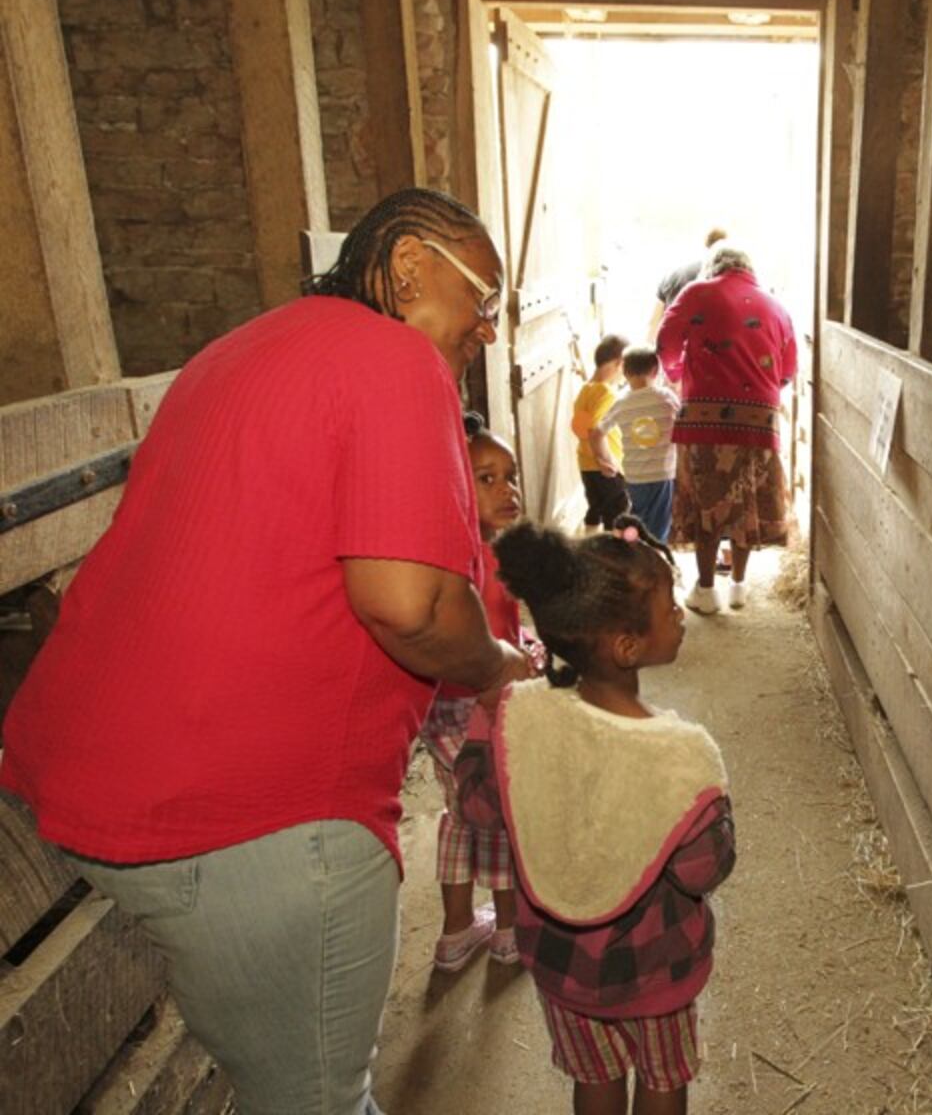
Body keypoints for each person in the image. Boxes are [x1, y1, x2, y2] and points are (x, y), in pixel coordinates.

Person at [0, 187, 538, 1115]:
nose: (487, 331)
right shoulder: (393, 359)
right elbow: (409, 606)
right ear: (409, 268)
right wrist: (497, 665)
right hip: (250, 819)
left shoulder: (241, 348)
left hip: (84, 768)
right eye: (482, 301)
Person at [456, 516, 735, 1115]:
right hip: (655, 971)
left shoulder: (519, 718)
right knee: (662, 1079)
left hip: (564, 969)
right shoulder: (681, 756)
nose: (681, 614)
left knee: (595, 1075)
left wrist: (488, 721)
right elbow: (702, 870)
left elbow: (476, 805)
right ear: (627, 646)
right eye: (669, 605)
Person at [422, 412, 543, 973]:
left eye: (510, 476)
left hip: (441, 706)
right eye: (486, 478)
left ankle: (454, 932)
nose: (507, 489)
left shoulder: (447, 549)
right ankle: (510, 931)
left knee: (459, 812)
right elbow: (492, 646)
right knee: (498, 815)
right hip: (481, 706)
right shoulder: (481, 557)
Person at [656, 242, 797, 614]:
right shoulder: (776, 305)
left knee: (707, 499)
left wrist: (676, 376)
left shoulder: (695, 293)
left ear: (713, 267)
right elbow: (788, 370)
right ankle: (737, 585)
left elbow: (665, 340)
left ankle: (705, 591)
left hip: (704, 417)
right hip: (759, 422)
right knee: (745, 499)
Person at [590, 347, 681, 546]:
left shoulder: (621, 401)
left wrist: (604, 461)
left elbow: (596, 433)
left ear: (625, 372)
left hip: (633, 475)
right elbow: (684, 425)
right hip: (661, 474)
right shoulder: (666, 397)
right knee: (658, 527)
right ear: (656, 371)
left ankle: (630, 549)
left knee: (639, 518)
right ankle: (651, 561)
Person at [571, 334, 630, 532]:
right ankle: (613, 556)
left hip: (586, 463)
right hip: (604, 465)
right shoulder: (606, 393)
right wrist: (607, 461)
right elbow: (596, 431)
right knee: (617, 512)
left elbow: (579, 428)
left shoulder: (586, 390)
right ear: (620, 363)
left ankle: (590, 547)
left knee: (595, 508)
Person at [645, 226, 726, 343]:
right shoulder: (725, 278)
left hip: (671, 349)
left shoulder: (673, 275)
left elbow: (653, 323)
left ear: (706, 243)